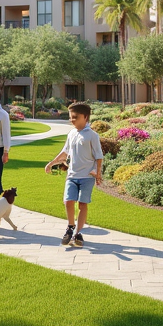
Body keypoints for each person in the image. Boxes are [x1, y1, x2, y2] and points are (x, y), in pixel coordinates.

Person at [44, 102, 103, 247]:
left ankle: (78, 233)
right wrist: (51, 163)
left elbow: (99, 156)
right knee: (68, 201)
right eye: (71, 117)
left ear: (85, 117)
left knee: (82, 205)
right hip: (72, 175)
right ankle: (70, 227)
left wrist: (98, 174)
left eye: (75, 117)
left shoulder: (92, 136)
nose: (72, 120)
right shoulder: (71, 133)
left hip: (87, 177)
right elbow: (65, 152)